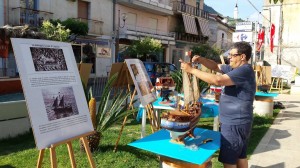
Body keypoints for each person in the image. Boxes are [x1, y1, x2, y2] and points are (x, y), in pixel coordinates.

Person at [180, 41, 256, 168]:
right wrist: (201, 59)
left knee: (230, 160)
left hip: (234, 123)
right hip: (240, 121)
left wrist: (191, 70)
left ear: (242, 57)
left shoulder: (243, 71)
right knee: (240, 156)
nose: (229, 58)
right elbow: (216, 66)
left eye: (232, 55)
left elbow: (218, 80)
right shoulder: (236, 68)